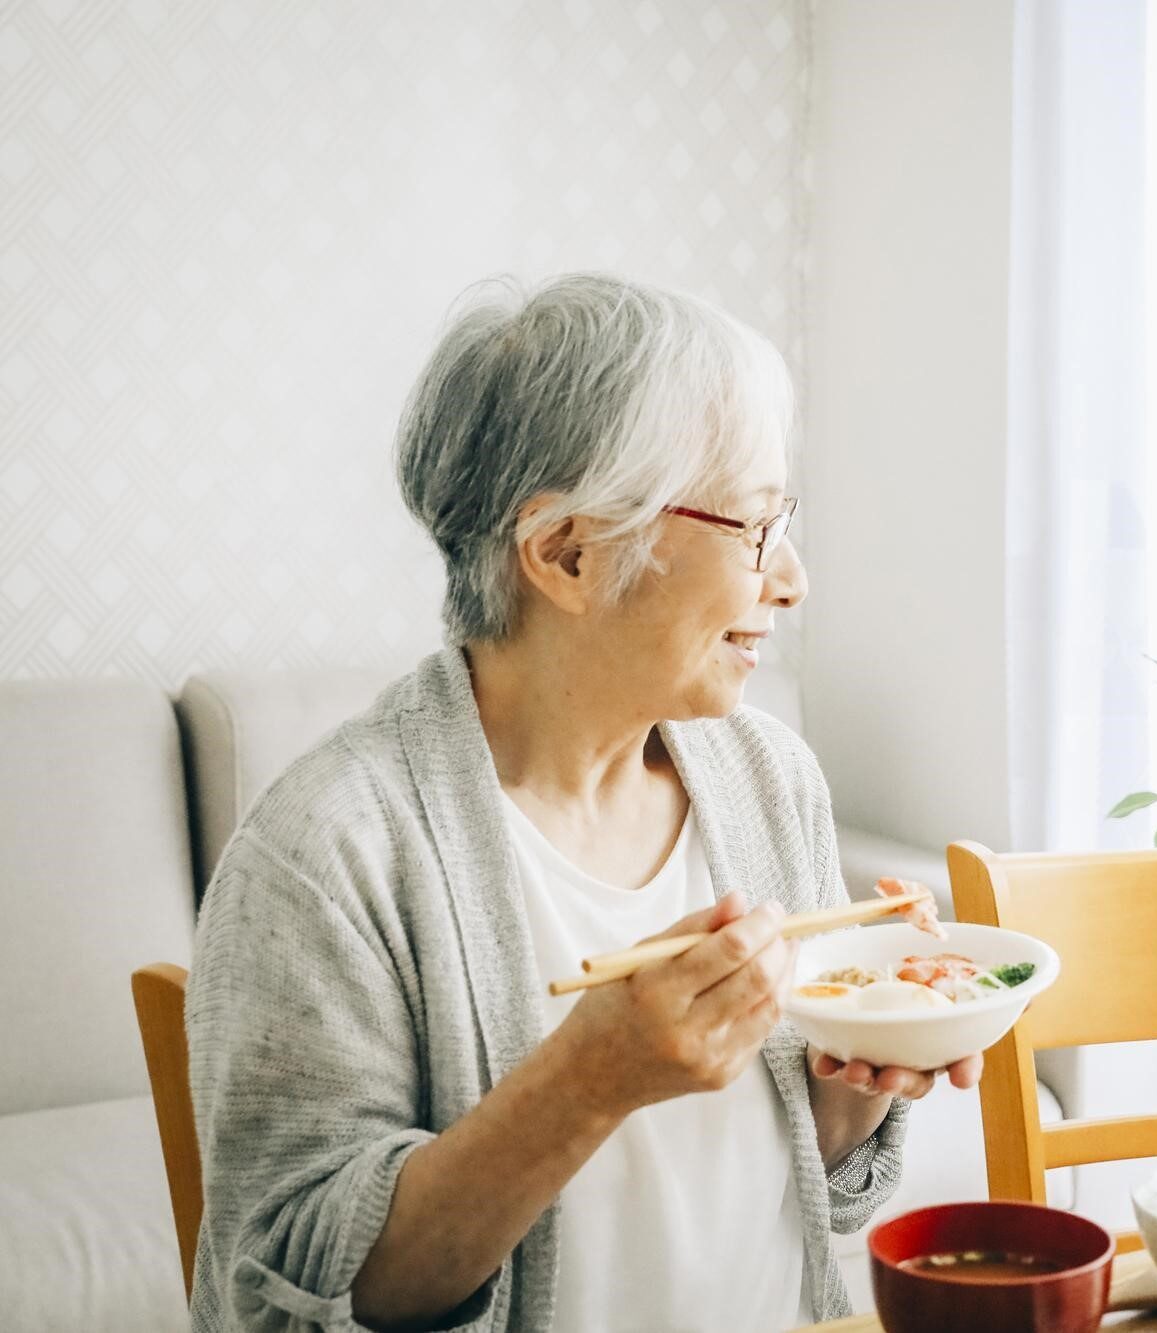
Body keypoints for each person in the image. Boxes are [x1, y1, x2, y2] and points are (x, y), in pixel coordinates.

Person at [185, 273, 975, 1332]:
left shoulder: (767, 778)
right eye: (752, 526)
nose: (791, 579)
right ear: (566, 552)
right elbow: (290, 1296)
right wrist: (584, 1081)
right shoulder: (331, 849)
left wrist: (868, 1067)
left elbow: (797, 1176)